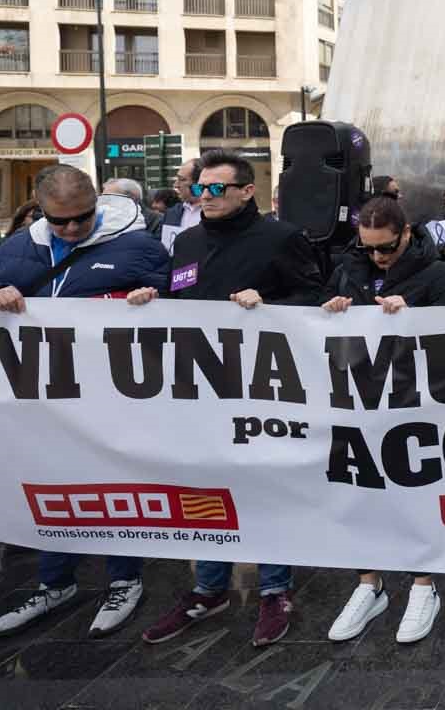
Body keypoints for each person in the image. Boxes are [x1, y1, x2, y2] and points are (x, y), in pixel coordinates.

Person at [127, 150, 326, 648]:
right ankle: (209, 587)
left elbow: (316, 301)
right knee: (205, 484)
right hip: (200, 386)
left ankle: (274, 588)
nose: (205, 197)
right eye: (200, 188)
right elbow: (182, 300)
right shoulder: (188, 240)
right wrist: (153, 303)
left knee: (262, 483)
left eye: (217, 188)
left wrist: (269, 305)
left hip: (263, 387)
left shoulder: (282, 237)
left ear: (246, 191)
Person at [0, 166, 172, 638]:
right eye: (59, 220)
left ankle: (124, 578)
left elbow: (178, 304)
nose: (70, 228)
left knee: (117, 485)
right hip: (44, 394)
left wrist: (154, 298)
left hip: (115, 394)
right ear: (40, 210)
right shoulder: (18, 247)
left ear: (97, 203)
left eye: (81, 218)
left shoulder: (138, 245)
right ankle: (55, 581)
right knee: (53, 483)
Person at [321, 197, 445, 644]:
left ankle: (425, 585)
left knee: (416, 489)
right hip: (359, 396)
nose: (376, 257)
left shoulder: (438, 272)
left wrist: (415, 318)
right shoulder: (350, 267)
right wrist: (331, 307)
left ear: (405, 234)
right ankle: (370, 583)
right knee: (360, 490)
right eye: (367, 249)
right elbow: (314, 312)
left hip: (416, 401)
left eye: (384, 248)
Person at [155, 158, 204, 254]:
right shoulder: (171, 213)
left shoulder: (220, 212)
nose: (176, 185)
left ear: (199, 183)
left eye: (182, 180)